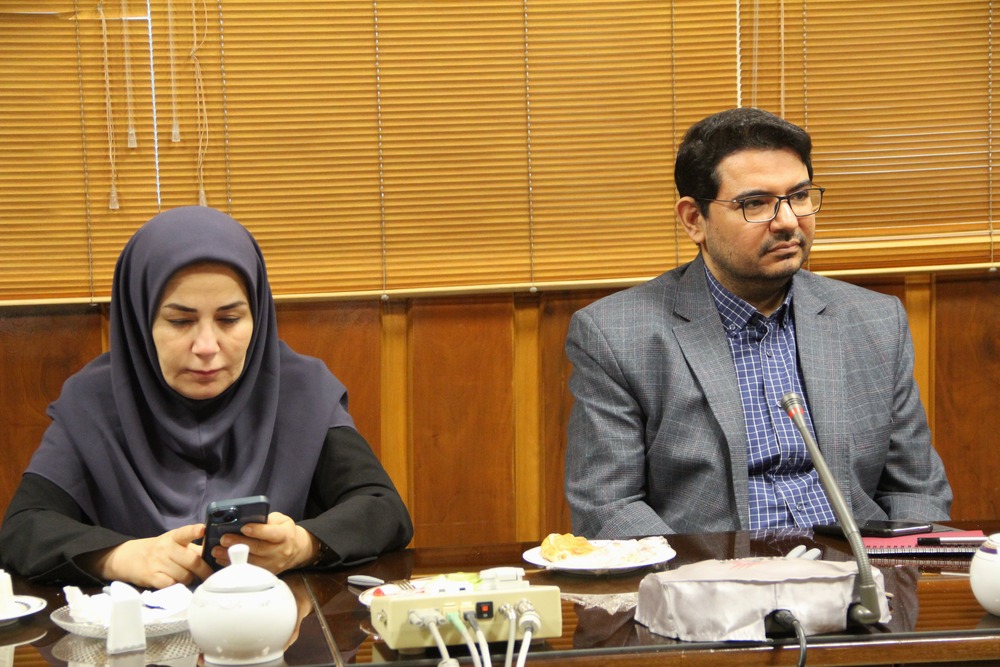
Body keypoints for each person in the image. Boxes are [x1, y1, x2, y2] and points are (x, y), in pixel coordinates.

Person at [564, 107, 952, 539]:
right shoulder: (617, 335)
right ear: (694, 219)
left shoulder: (874, 321)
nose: (787, 221)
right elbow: (609, 506)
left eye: (799, 196)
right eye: (755, 203)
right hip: (710, 572)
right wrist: (699, 577)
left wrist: (898, 566)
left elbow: (915, 488)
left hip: (856, 565)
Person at [0, 206, 413, 588]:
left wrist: (302, 545)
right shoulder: (93, 401)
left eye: (229, 319)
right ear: (140, 322)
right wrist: (120, 557)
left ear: (257, 316)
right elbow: (24, 527)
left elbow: (382, 508)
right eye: (180, 321)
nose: (206, 347)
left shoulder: (301, 390)